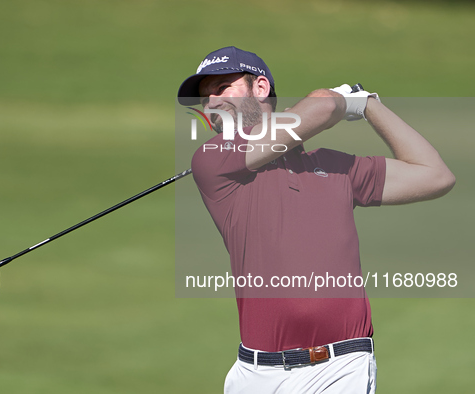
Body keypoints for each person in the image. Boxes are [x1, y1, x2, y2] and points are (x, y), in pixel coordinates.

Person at [177, 46, 455, 393]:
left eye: (221, 88)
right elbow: (323, 106)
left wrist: (370, 105)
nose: (211, 103)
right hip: (255, 374)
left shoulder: (337, 167)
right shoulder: (212, 160)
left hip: (341, 368)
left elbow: (435, 175)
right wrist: (343, 99)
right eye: (204, 98)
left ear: (259, 88)